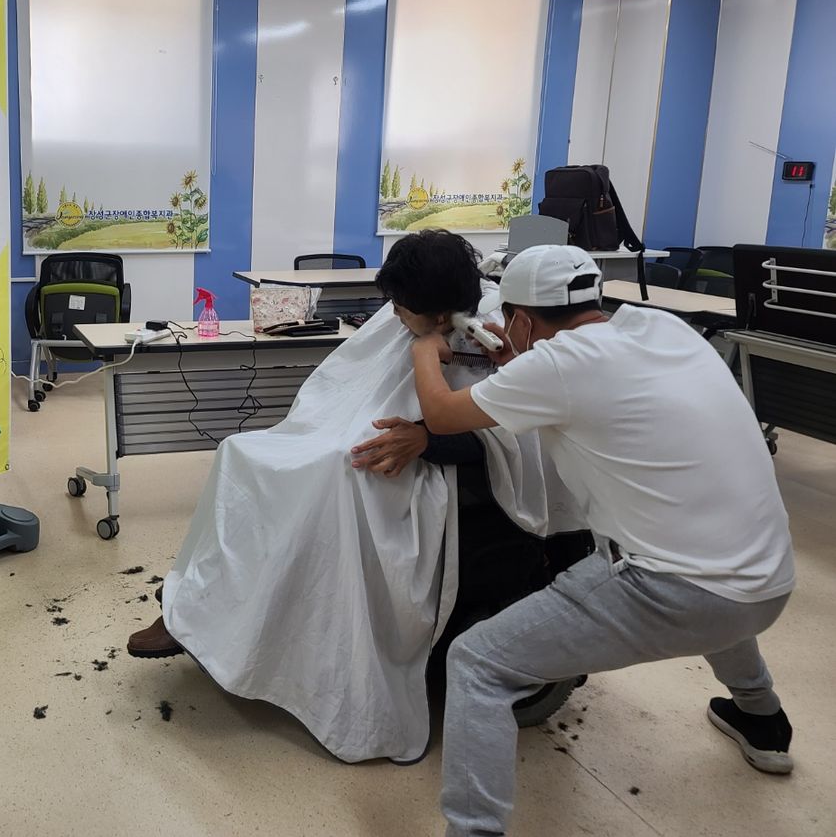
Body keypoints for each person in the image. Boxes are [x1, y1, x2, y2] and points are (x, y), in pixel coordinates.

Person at [126, 231, 575, 763]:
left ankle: (253, 626)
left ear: (439, 310)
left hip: (436, 469)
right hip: (364, 439)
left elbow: (514, 440)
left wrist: (428, 441)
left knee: (332, 480)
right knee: (241, 454)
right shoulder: (410, 314)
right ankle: (204, 612)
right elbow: (340, 388)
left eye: (405, 308)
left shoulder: (497, 331)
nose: (397, 314)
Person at [409, 244, 795, 837]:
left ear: (519, 318)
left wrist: (424, 350)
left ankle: (473, 830)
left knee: (478, 663)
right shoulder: (666, 329)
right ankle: (763, 721)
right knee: (711, 571)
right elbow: (584, 382)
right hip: (768, 578)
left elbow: (440, 415)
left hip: (674, 593)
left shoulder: (558, 365)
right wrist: (520, 361)